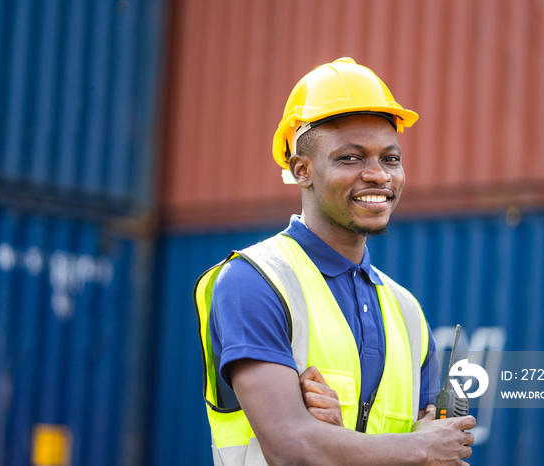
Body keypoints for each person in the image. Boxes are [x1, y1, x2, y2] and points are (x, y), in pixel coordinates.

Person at [194, 57, 475, 465]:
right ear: (302, 169)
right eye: (351, 158)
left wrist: (338, 440)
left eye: (390, 159)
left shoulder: (407, 312)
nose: (379, 175)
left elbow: (443, 459)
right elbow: (294, 450)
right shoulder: (254, 282)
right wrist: (418, 447)